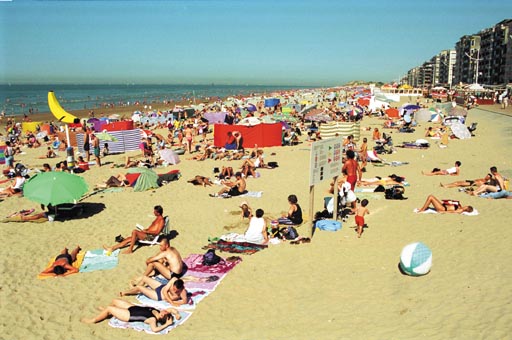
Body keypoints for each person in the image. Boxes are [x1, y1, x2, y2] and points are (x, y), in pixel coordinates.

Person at [81, 298, 180, 333]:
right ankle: (108, 312)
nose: (165, 311)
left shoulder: (152, 320)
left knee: (110, 308)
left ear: (163, 318)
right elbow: (172, 309)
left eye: (165, 314)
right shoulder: (159, 312)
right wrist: (176, 314)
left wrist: (167, 324)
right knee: (115, 301)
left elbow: (154, 329)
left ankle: (94, 320)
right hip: (132, 307)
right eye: (166, 312)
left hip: (129, 315)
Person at [121, 277, 188, 307]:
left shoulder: (183, 292)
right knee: (144, 278)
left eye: (176, 290)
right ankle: (134, 289)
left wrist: (173, 302)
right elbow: (165, 291)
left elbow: (184, 302)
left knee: (140, 288)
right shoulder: (174, 279)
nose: (174, 290)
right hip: (161, 287)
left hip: (158, 296)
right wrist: (171, 302)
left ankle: (126, 292)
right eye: (174, 288)